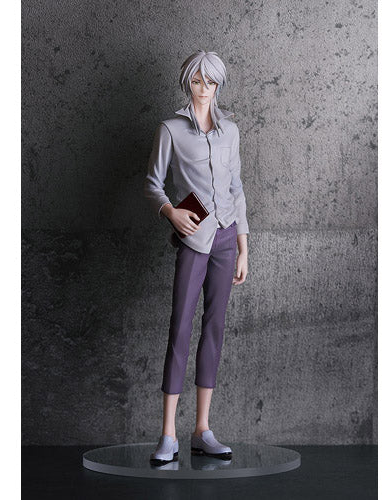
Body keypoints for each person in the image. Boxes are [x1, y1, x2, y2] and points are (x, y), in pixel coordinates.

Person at [143, 50, 249, 466]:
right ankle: (168, 434)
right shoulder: (170, 129)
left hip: (225, 237)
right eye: (197, 81)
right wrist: (171, 212)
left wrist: (243, 244)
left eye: (211, 82)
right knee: (180, 328)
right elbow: (153, 183)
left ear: (219, 85)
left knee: (214, 328)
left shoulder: (230, 131)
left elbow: (237, 188)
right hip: (193, 238)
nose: (204, 89)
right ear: (187, 82)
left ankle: (202, 429)